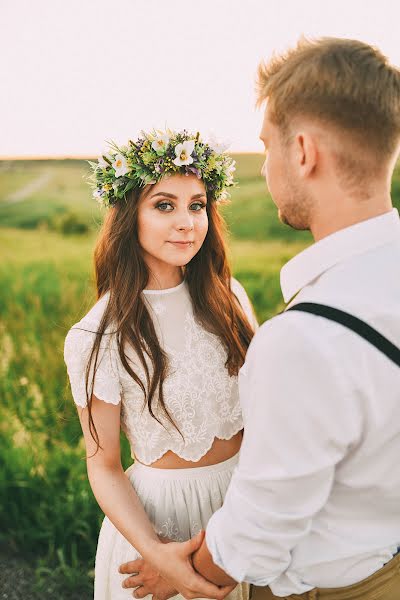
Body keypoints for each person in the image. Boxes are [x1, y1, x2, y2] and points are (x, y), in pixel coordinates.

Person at [120, 38, 400, 600]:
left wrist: (176, 570)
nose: (266, 165)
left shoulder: (303, 339)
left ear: (303, 152)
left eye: (266, 147)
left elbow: (260, 528)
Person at [64, 128, 258, 600]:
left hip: (242, 506)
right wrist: (157, 553)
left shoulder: (228, 297)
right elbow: (104, 466)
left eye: (197, 205)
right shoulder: (97, 334)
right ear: (130, 216)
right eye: (164, 205)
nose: (187, 222)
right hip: (161, 520)